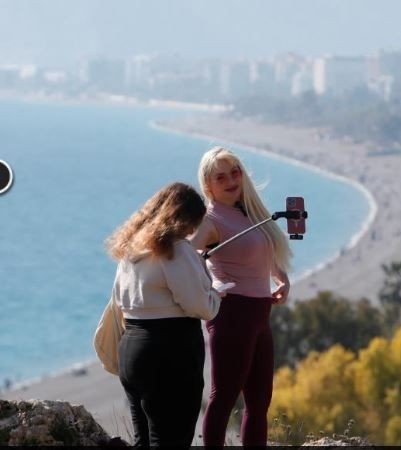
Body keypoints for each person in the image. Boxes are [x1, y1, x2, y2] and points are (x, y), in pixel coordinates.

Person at [106, 182, 221, 447]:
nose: (193, 231)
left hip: (132, 351)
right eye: (194, 223)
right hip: (171, 354)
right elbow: (200, 306)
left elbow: (119, 299)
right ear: (184, 219)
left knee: (144, 441)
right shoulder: (177, 250)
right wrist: (216, 294)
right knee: (172, 441)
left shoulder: (130, 250)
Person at [190, 146, 292, 447]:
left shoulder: (248, 212)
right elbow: (186, 256)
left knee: (259, 402)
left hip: (260, 315)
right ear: (208, 185)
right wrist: (207, 285)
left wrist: (281, 278)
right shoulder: (210, 220)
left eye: (235, 172)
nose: (231, 180)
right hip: (232, 315)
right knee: (223, 398)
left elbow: (264, 249)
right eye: (221, 177)